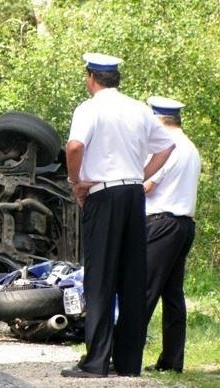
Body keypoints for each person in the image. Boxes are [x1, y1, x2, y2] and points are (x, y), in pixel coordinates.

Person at [62, 53, 175, 378]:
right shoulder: (139, 109)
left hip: (103, 192)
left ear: (91, 78)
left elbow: (74, 147)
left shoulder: (90, 108)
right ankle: (128, 363)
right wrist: (140, 175)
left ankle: (96, 361)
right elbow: (167, 147)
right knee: (131, 278)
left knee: (99, 279)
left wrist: (76, 182)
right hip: (132, 194)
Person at [143, 96, 201, 373]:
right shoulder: (190, 147)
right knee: (172, 296)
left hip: (162, 222)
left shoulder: (167, 146)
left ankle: (124, 354)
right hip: (184, 224)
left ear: (158, 121)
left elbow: (148, 185)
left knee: (144, 289)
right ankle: (171, 361)